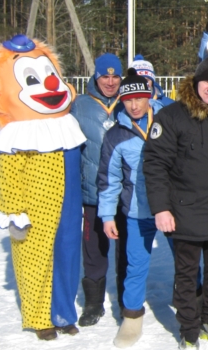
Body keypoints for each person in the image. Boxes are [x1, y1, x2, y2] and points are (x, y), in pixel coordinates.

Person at [144, 57, 208, 349]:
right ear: (195, 83)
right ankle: (189, 330)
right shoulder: (172, 116)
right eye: (206, 81)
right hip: (185, 212)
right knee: (187, 275)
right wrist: (161, 208)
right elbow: (155, 165)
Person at [0, 35, 86, 340]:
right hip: (33, 207)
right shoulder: (16, 135)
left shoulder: (67, 123)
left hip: (68, 202)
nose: (49, 85)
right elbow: (7, 174)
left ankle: (63, 312)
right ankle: (38, 317)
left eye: (48, 76)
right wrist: (11, 211)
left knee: (68, 252)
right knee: (34, 256)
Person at [97, 69, 163, 347]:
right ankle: (132, 317)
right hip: (137, 211)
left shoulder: (166, 121)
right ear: (121, 102)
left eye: (139, 98)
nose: (134, 105)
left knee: (187, 263)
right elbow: (109, 180)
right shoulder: (116, 135)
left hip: (171, 209)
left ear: (149, 96)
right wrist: (107, 215)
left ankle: (191, 306)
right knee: (135, 266)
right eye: (128, 100)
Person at [71, 52, 126, 326]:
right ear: (96, 76)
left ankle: (126, 301)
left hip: (124, 193)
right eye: (105, 76)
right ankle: (93, 303)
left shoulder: (128, 103)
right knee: (94, 249)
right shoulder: (80, 106)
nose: (111, 81)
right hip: (93, 193)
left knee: (126, 249)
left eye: (115, 76)